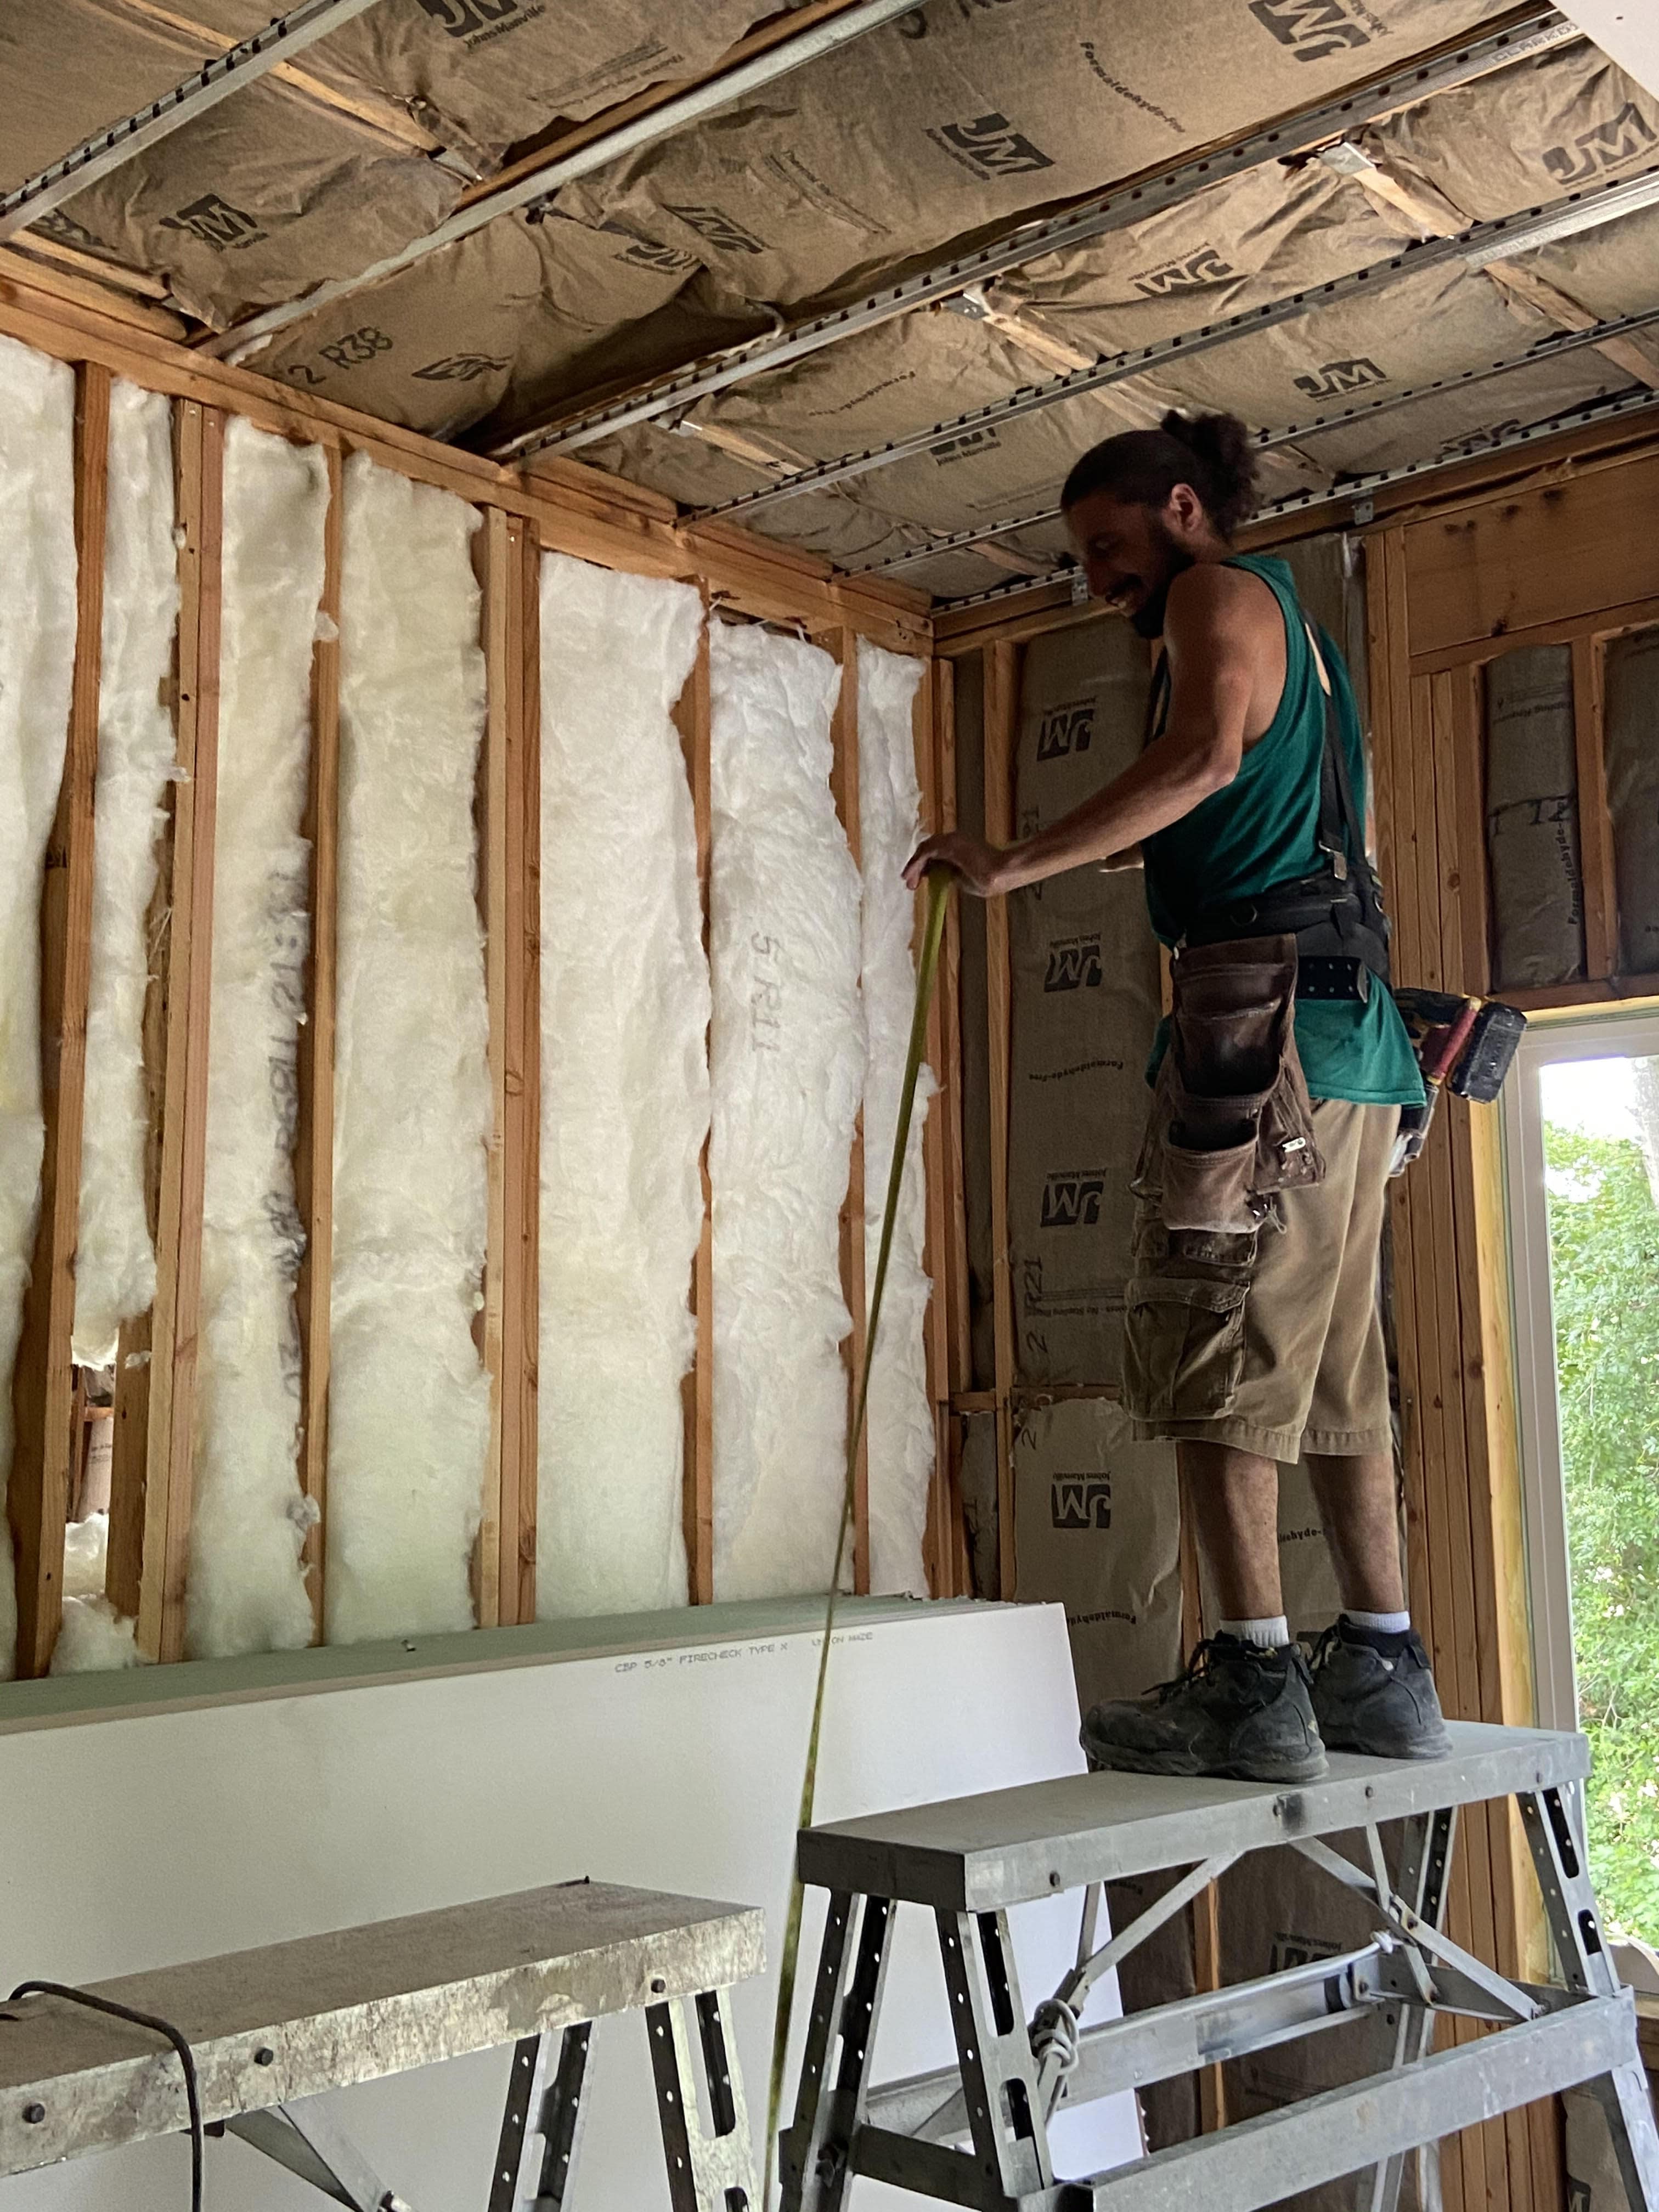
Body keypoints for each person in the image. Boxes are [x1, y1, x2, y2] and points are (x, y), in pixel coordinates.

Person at [904, 410, 1449, 1784]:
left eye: (1109, 548)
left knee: (1216, 1349)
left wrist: (1018, 864)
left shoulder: (1218, 593)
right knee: (1332, 1371)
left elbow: (1202, 759)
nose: (1099, 581)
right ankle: (1382, 1662)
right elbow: (1233, 796)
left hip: (1263, 1033)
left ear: (1187, 512)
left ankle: (1256, 1679)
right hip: (1352, 1036)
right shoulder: (1307, 647)